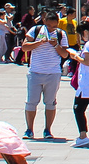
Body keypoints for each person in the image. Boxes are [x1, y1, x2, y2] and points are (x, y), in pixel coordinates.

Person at [20, 11, 73, 139]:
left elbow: (65, 55)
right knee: (31, 102)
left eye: (54, 26)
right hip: (35, 72)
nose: (51, 28)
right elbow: (24, 47)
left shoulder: (61, 34)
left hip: (53, 73)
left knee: (50, 102)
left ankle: (48, 130)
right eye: (48, 25)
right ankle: (29, 129)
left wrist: (56, 45)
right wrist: (39, 42)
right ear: (44, 21)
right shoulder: (35, 30)